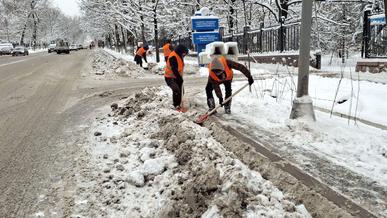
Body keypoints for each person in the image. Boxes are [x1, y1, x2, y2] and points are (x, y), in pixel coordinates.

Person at [164, 44, 189, 111]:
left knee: (181, 91)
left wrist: (180, 77)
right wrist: (179, 77)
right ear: (180, 51)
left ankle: (180, 104)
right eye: (184, 54)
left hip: (177, 76)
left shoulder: (179, 55)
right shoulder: (173, 56)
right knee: (176, 90)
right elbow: (174, 69)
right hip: (169, 77)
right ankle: (176, 105)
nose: (184, 55)